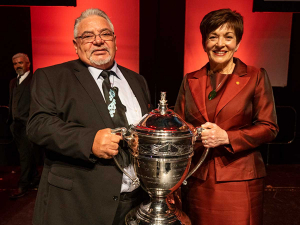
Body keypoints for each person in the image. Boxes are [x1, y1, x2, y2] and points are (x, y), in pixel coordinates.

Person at [27, 8, 151, 225]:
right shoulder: (51, 77)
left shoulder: (137, 80)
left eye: (105, 34)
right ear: (76, 45)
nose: (98, 41)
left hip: (134, 204)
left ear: (115, 40)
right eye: (87, 36)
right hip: (78, 206)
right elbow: (38, 125)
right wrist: (88, 140)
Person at [174, 8, 279, 225]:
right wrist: (192, 134)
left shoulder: (255, 76)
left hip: (240, 181)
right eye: (213, 37)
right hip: (198, 180)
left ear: (238, 43)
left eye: (228, 37)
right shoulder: (190, 80)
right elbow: (178, 127)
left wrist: (227, 137)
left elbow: (269, 127)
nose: (220, 44)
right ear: (204, 43)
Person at [8, 53, 40, 199]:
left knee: (25, 156)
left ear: (28, 64)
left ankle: (23, 185)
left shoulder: (34, 81)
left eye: (20, 63)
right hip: (16, 125)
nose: (17, 66)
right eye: (15, 64)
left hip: (28, 124)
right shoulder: (12, 82)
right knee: (27, 155)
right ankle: (34, 179)